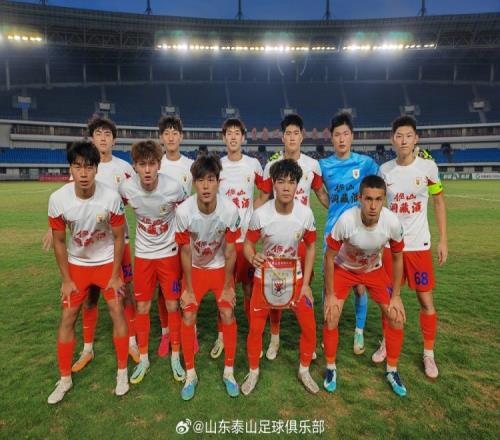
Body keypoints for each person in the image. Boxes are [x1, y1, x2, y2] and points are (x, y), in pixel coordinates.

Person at [47, 141, 129, 404]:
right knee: (68, 316)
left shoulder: (111, 198)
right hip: (78, 265)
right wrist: (66, 279)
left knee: (117, 310)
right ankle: (65, 379)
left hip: (106, 263)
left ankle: (122, 373)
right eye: (77, 166)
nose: (83, 173)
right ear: (70, 169)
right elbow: (59, 241)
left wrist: (115, 275)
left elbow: (119, 238)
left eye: (89, 167)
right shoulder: (58, 199)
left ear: (96, 169)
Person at [375, 116, 448, 379]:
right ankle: (386, 342)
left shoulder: (428, 168)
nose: (404, 141)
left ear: (416, 138)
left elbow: (438, 202)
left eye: (408, 136)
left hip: (419, 245)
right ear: (392, 140)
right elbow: (379, 208)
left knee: (425, 300)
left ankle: (429, 353)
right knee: (387, 301)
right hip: (391, 247)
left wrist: (443, 239)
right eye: (399, 136)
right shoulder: (385, 171)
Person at [323, 175, 407, 396]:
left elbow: (398, 258)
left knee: (397, 317)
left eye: (378, 199)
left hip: (373, 271)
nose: (373, 205)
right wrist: (330, 295)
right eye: (368, 199)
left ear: (384, 200)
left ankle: (392, 370)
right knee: (331, 315)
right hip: (344, 269)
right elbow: (329, 257)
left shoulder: (392, 222)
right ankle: (330, 367)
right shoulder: (346, 221)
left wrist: (396, 295)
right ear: (359, 198)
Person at [241, 159, 319, 395]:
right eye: (281, 181)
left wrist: (306, 285)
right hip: (264, 278)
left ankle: (304, 370)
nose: (286, 187)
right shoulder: (260, 215)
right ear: (273, 184)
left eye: (291, 182)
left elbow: (311, 247)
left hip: (295, 279)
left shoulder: (305, 214)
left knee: (309, 327)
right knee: (256, 329)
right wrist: (252, 256)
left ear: (298, 186)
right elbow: (248, 244)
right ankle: (253, 371)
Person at [256, 113, 329, 361]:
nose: (292, 137)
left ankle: (308, 341)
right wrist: (246, 220)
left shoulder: (312, 165)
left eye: (296, 133)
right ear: (282, 137)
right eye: (288, 133)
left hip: (301, 237)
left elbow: (321, 194)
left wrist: (341, 212)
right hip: (277, 239)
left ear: (302, 136)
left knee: (304, 290)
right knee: (274, 290)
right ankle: (275, 338)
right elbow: (263, 198)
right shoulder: (271, 166)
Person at [118, 140, 187, 385]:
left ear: (159, 165)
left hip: (169, 253)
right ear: (134, 167)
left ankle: (176, 355)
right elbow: (114, 208)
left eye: (151, 164)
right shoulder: (127, 188)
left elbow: (187, 211)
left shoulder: (174, 187)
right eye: (141, 164)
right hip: (144, 255)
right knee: (143, 307)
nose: (147, 170)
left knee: (172, 304)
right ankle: (144, 358)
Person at [175, 154, 240, 400]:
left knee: (227, 312)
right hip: (195, 269)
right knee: (188, 313)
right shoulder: (184, 211)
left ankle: (229, 372)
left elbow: (231, 251)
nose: (205, 186)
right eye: (200, 180)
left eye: (210, 180)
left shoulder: (230, 210)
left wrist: (228, 286)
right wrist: (188, 289)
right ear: (194, 183)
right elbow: (184, 251)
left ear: (218, 182)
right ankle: (190, 374)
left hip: (220, 267)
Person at [319, 112, 379, 355]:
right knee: (328, 284)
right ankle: (327, 328)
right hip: (333, 232)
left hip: (359, 234)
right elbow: (320, 191)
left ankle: (359, 330)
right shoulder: (324, 166)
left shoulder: (366, 164)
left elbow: (380, 188)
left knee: (360, 286)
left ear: (352, 136)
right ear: (331, 138)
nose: (342, 139)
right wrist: (333, 206)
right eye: (337, 135)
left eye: (345, 134)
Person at [210, 118, 264, 359]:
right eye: (229, 133)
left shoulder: (253, 164)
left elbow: (265, 191)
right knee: (224, 290)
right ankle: (222, 336)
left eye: (236, 133)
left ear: (243, 137)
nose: (233, 137)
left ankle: (254, 335)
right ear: (224, 138)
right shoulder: (218, 166)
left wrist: (252, 211)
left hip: (247, 242)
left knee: (250, 289)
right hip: (225, 242)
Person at [156, 115, 195, 357]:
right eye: (166, 133)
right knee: (163, 290)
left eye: (174, 133)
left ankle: (191, 329)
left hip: (186, 237)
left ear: (181, 136)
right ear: (161, 137)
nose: (171, 137)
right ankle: (166, 333)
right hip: (161, 239)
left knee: (188, 284)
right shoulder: (155, 164)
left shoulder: (191, 166)